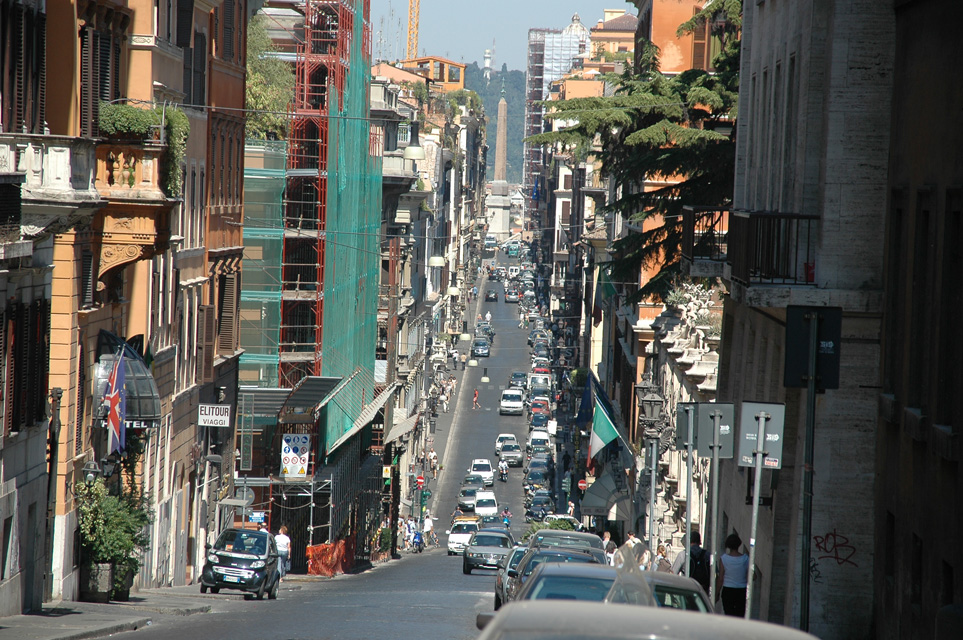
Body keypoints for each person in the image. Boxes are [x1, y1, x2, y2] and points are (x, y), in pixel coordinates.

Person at [718, 533, 751, 617]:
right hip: (741, 591)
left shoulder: (724, 558)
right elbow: (752, 576)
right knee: (740, 615)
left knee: (729, 615)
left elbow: (721, 578)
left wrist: (717, 592)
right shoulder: (745, 558)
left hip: (728, 591)